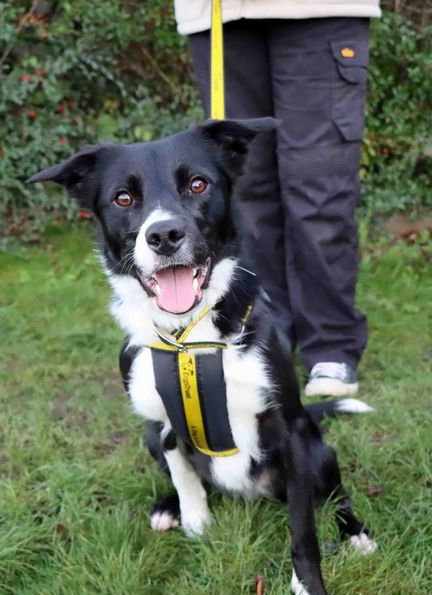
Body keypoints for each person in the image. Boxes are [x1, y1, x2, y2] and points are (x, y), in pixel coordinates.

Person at [174, 0, 381, 397]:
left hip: (319, 11)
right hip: (219, 15)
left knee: (318, 186)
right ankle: (268, 335)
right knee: (244, 187)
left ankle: (331, 344)